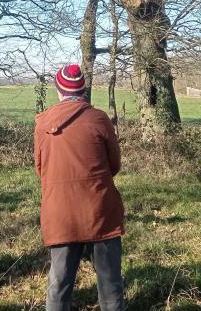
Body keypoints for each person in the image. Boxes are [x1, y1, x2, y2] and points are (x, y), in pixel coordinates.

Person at [34, 64, 125, 311]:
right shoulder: (99, 119)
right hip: (100, 209)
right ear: (83, 89)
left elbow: (41, 169)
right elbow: (114, 165)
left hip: (60, 211)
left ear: (58, 89)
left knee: (59, 283)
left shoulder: (42, 122)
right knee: (110, 282)